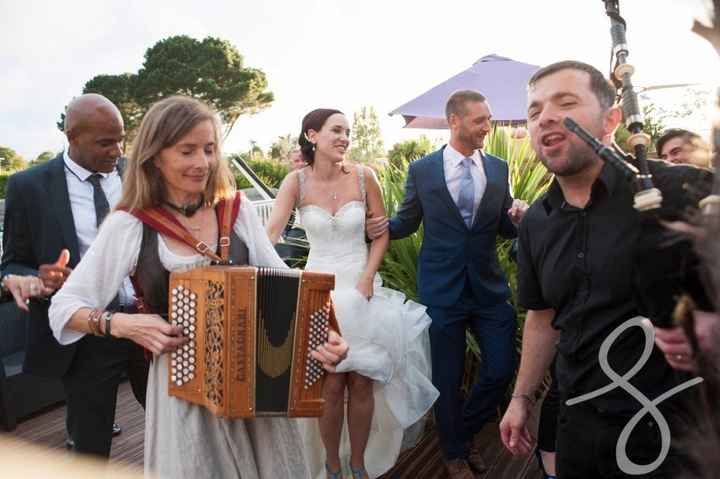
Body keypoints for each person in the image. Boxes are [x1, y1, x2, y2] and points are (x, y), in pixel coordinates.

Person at [48, 95, 348, 479]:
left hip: (256, 390)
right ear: (156, 155)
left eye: (209, 149)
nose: (202, 162)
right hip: (183, 395)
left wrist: (325, 334)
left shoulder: (235, 211)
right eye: (186, 150)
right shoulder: (131, 223)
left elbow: (290, 289)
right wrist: (122, 325)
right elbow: (64, 307)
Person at [499, 60, 713, 478]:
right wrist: (522, 398)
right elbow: (542, 319)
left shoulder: (680, 189)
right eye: (535, 110)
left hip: (680, 431)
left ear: (611, 119)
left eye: (566, 102)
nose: (546, 118)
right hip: (581, 427)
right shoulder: (538, 223)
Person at [265, 108, 438, 479]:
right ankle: (331, 463)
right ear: (312, 135)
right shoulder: (295, 182)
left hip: (363, 291)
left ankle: (358, 463)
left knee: (362, 382)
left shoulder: (364, 177)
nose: (345, 137)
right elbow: (270, 235)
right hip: (318, 294)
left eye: (348, 131)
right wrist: (269, 273)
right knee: (330, 385)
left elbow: (382, 233)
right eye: (337, 130)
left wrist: (368, 277)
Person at [366, 90, 527, 479]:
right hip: (442, 291)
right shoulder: (422, 170)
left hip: (489, 290)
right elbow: (406, 221)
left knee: (502, 367)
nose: (488, 127)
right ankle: (455, 452)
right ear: (455, 121)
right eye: (480, 121)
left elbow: (504, 227)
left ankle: (462, 431)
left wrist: (518, 215)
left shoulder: (500, 168)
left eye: (488, 119)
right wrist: (372, 226)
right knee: (447, 377)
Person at [1, 94, 144, 456]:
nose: (117, 150)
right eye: (105, 142)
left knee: (175, 425)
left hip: (148, 321)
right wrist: (35, 278)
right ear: (72, 137)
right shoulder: (28, 187)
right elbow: (12, 263)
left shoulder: (139, 174)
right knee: (90, 448)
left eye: (120, 139)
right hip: (87, 331)